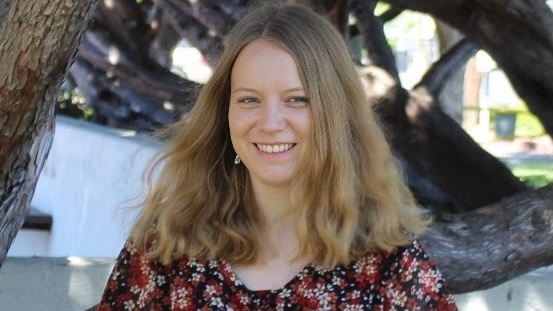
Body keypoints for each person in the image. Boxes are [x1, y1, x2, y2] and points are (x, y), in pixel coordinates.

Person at [96, 2, 458, 310]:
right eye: (249, 99)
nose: (270, 123)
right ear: (225, 113)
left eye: (296, 99)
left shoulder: (390, 266)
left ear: (335, 115)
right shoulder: (167, 246)